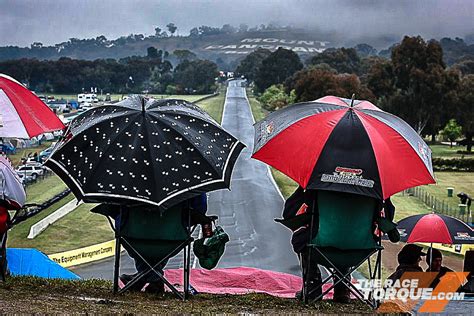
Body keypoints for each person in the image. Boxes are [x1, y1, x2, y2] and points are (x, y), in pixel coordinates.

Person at [119, 193, 208, 293]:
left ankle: (144, 277)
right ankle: (152, 278)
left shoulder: (129, 183)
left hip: (134, 240)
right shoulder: (189, 181)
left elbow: (118, 215)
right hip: (172, 240)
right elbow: (200, 210)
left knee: (142, 235)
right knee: (164, 236)